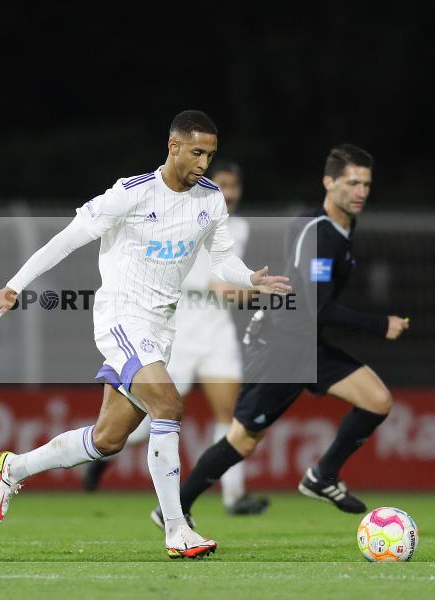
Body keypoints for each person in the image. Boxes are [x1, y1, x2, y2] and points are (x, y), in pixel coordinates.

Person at [0, 110, 291, 559]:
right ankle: (177, 528)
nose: (204, 162)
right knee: (169, 404)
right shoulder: (131, 193)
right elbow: (68, 238)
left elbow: (222, 261)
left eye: (211, 154)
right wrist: (14, 286)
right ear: (173, 147)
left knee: (107, 439)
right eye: (197, 152)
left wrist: (250, 278)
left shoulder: (210, 199)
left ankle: (16, 467)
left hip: (162, 327)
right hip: (121, 318)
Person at [164, 144, 409, 527]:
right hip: (279, 347)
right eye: (351, 183)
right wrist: (380, 325)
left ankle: (322, 476)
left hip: (307, 344)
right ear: (329, 182)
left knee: (378, 401)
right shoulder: (316, 232)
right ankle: (174, 510)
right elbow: (318, 308)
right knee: (243, 439)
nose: (360, 191)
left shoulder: (343, 228)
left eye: (365, 184)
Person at [82, 161, 270, 517]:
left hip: (217, 332)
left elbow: (227, 276)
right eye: (223, 184)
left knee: (228, 412)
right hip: (179, 329)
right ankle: (106, 452)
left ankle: (234, 496)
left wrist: (247, 288)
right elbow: (187, 275)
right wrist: (226, 287)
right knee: (155, 411)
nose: (229, 193)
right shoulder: (183, 214)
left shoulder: (238, 227)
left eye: (234, 186)